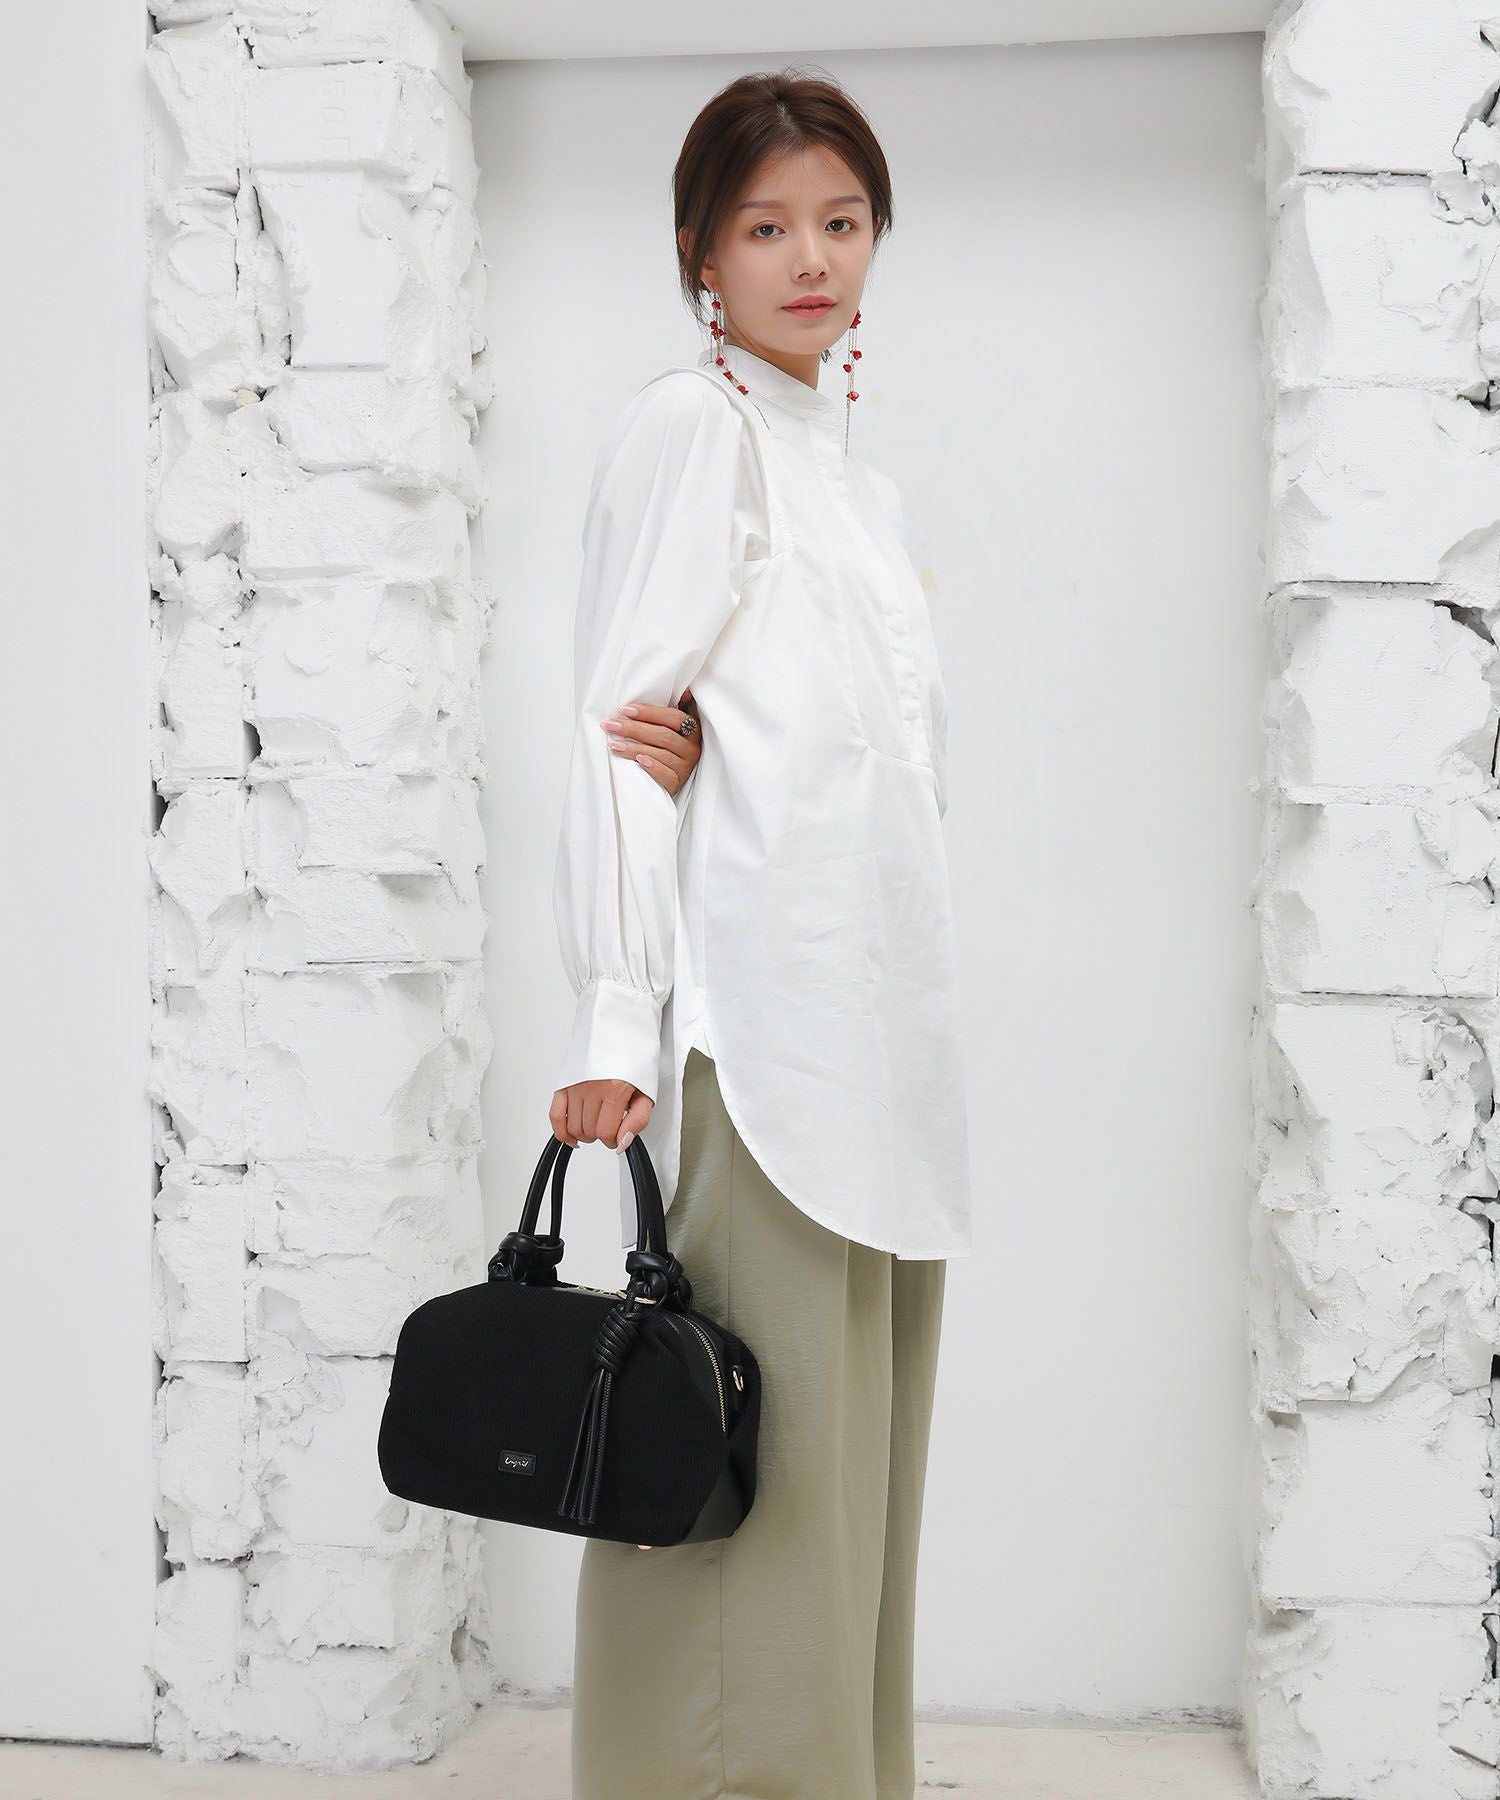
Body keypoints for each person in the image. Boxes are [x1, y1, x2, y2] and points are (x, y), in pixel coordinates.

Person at [548, 65, 972, 1800]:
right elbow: (620, 733)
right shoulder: (694, 429)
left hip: (881, 1043)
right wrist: (614, 1018)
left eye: (844, 222)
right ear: (699, 255)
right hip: (759, 1040)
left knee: (845, 1489)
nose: (813, 258)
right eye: (767, 226)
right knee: (736, 1476)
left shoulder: (855, 486)